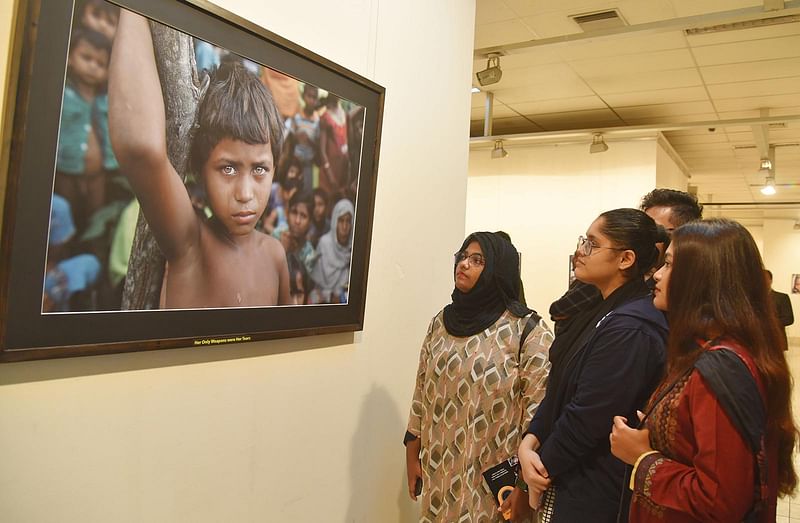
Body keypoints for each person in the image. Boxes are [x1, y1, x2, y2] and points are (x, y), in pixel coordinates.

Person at [610, 219, 798, 522]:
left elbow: (719, 499)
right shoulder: (704, 349)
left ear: (701, 279)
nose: (657, 275)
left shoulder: (721, 367)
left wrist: (642, 458)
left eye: (669, 265)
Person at [109, 10, 290, 308]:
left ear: (275, 168)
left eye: (259, 169)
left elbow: (285, 346)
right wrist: (134, 9)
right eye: (228, 168)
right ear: (199, 169)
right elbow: (140, 149)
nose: (245, 194)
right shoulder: (191, 242)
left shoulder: (275, 256)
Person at [518, 208, 669, 522]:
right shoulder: (601, 309)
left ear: (625, 259)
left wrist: (540, 467)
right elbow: (560, 385)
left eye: (591, 244)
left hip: (596, 488)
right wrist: (530, 440)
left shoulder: (631, 326)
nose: (579, 252)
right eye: (582, 241)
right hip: (574, 477)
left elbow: (590, 416)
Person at [405, 232, 552, 522]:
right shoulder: (441, 323)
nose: (464, 264)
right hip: (440, 471)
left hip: (495, 482)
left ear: (498, 270)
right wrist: (412, 455)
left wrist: (523, 484)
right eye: (462, 256)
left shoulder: (527, 330)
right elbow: (422, 389)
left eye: (478, 260)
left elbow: (540, 413)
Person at [548, 188, 702, 333]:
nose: (646, 236)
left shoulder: (638, 316)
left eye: (655, 230)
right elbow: (559, 311)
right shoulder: (610, 281)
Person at [55, 27, 118, 234]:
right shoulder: (63, 94)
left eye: (100, 64)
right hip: (66, 169)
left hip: (98, 173)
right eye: (86, 58)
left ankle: (90, 249)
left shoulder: (105, 100)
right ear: (70, 58)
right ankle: (63, 250)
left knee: (95, 215)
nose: (93, 67)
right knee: (66, 213)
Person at [309, 199, 353, 304]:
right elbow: (315, 286)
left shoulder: (353, 248)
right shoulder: (324, 244)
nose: (344, 227)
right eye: (341, 221)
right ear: (334, 222)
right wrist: (330, 297)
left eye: (348, 221)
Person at [286, 83, 320, 193]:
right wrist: (297, 138)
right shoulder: (297, 117)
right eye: (309, 96)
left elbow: (318, 146)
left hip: (308, 165)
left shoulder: (317, 120)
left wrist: (309, 141)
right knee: (292, 191)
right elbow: (289, 141)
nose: (311, 100)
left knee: (306, 192)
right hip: (295, 163)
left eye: (314, 97)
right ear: (303, 96)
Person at [273, 189, 317, 275]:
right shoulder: (275, 236)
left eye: (303, 216)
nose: (297, 221)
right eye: (294, 212)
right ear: (287, 213)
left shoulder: (310, 255)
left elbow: (304, 286)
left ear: (310, 222)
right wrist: (282, 250)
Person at [319, 93, 349, 201]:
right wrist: (330, 176)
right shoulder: (325, 117)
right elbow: (322, 151)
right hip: (330, 171)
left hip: (343, 169)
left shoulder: (344, 113)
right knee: (327, 202)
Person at [766, 269, 794, 348]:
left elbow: (789, 319)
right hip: (758, 341)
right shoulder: (754, 299)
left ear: (771, 280)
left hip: (777, 339)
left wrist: (770, 322)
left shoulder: (782, 298)